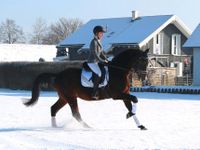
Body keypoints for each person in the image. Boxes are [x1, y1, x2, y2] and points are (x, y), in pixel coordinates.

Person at [87, 25, 109, 99]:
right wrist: (102, 61)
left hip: (96, 61)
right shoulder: (93, 42)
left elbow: (101, 52)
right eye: (101, 33)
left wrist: (106, 59)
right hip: (92, 62)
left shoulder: (98, 41)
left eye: (102, 33)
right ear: (96, 33)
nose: (102, 34)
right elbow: (96, 54)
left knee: (106, 69)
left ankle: (102, 87)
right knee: (99, 73)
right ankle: (94, 93)